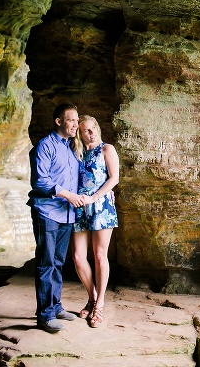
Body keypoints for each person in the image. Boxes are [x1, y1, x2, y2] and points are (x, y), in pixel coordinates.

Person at [27, 103, 88, 333]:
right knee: (46, 263)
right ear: (59, 122)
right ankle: (44, 316)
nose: (75, 124)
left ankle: (55, 306)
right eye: (71, 120)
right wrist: (68, 195)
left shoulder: (71, 147)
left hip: (66, 214)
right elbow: (40, 182)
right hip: (47, 212)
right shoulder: (45, 146)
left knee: (58, 262)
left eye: (76, 120)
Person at [71, 114, 119, 328]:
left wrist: (96, 197)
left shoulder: (107, 149)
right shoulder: (78, 153)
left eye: (92, 129)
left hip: (101, 206)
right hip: (80, 206)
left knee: (100, 255)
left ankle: (99, 306)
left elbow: (114, 178)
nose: (90, 133)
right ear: (80, 134)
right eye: (85, 131)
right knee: (78, 257)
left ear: (98, 128)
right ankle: (92, 296)